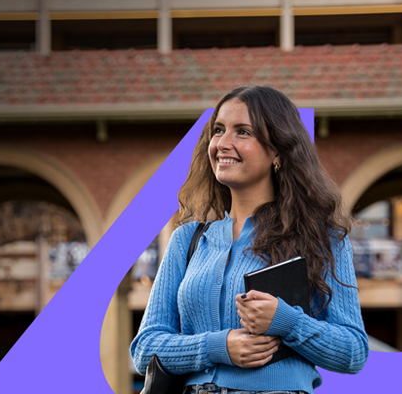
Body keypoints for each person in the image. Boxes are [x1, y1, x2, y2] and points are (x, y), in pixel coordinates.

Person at [131, 86, 369, 394]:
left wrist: (286, 322)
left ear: (278, 153)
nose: (223, 144)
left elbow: (353, 352)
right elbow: (144, 350)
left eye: (242, 132)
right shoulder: (186, 240)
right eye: (218, 130)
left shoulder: (322, 238)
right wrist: (219, 347)